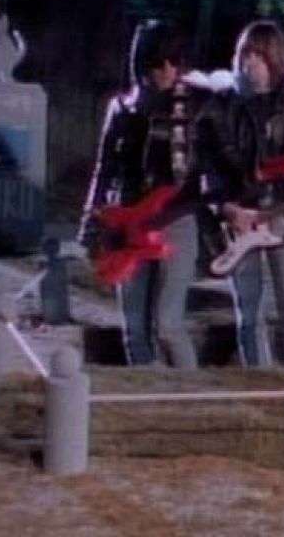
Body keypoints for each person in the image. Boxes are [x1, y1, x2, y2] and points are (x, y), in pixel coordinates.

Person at [197, 21, 284, 368]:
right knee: (249, 310)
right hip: (239, 216)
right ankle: (257, 380)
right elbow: (206, 168)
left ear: (275, 59)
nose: (250, 63)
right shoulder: (220, 106)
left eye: (258, 56)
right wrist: (226, 207)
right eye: (246, 55)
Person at [78, 20, 204, 368]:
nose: (167, 70)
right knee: (135, 327)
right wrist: (91, 220)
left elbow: (205, 172)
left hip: (175, 218)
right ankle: (148, 388)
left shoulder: (194, 108)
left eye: (174, 61)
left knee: (168, 324)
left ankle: (191, 392)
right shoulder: (121, 108)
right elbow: (104, 167)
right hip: (128, 219)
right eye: (158, 62)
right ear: (142, 63)